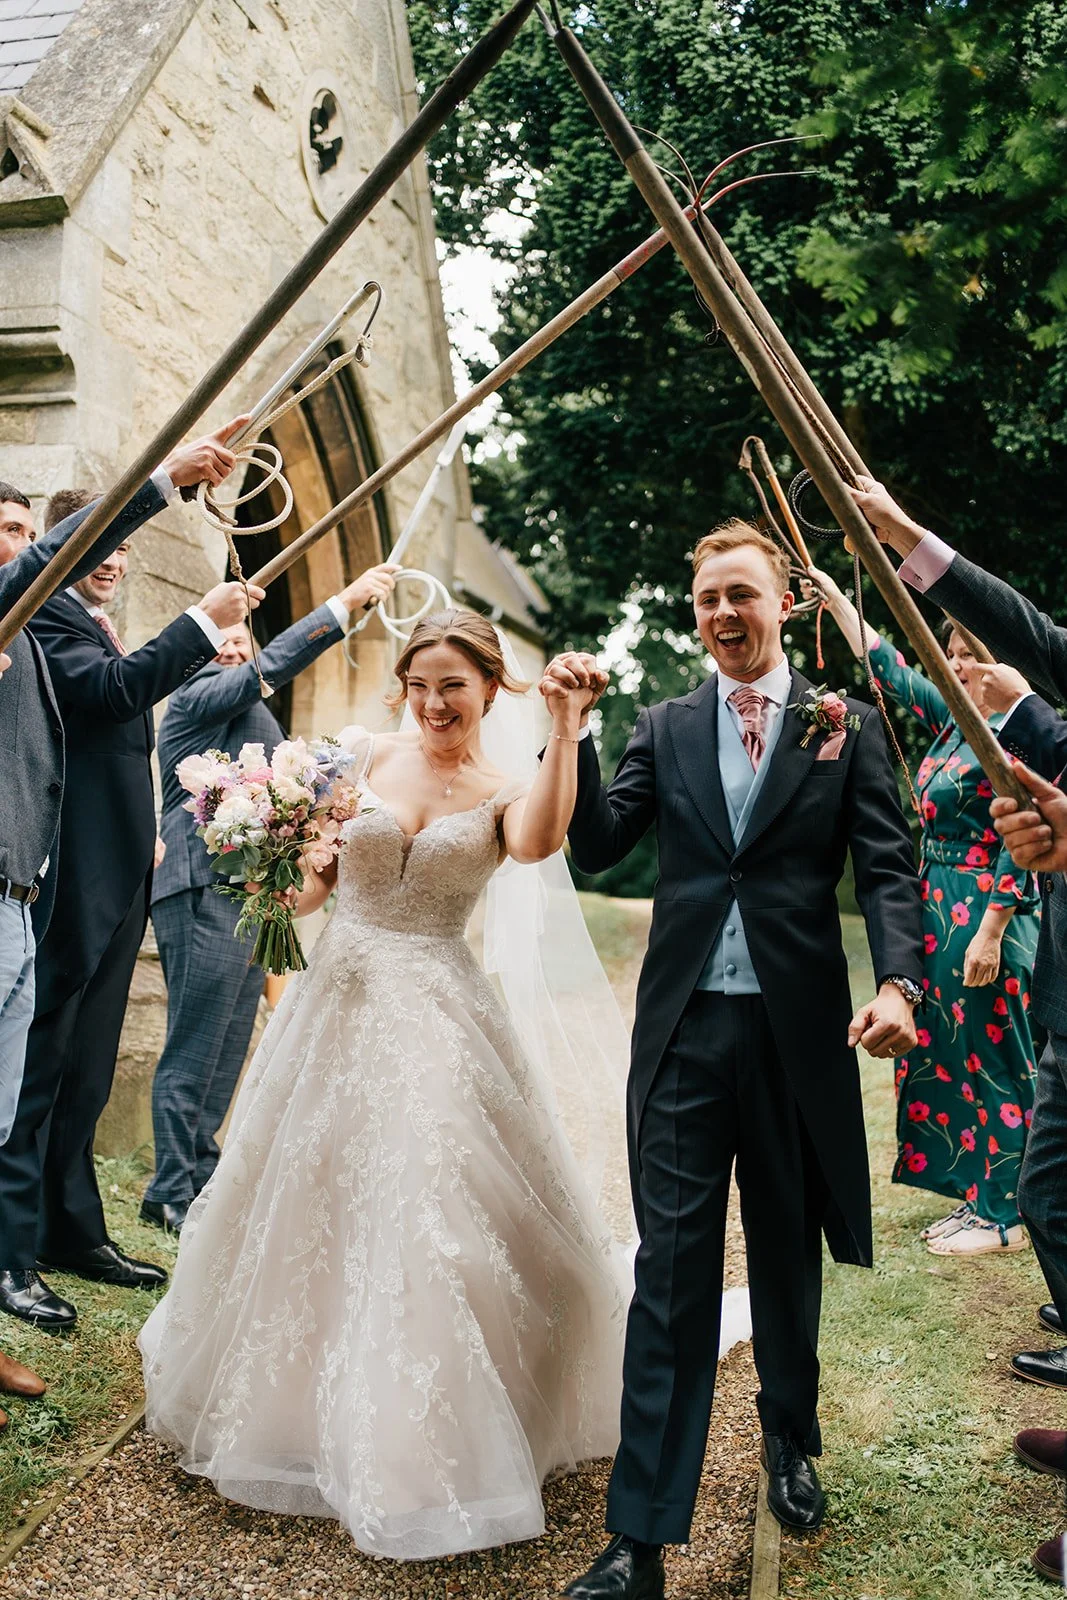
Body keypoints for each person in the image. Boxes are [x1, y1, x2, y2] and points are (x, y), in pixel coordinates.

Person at [139, 607, 629, 1559]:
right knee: (305, 1192)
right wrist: (280, 866)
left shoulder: (504, 785)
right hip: (338, 998)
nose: (435, 702)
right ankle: (293, 1410)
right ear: (402, 688)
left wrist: (566, 732)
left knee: (432, 1203)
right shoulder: (358, 755)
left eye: (453, 685)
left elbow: (534, 845)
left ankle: (424, 1434)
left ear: (491, 689)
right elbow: (314, 891)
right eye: (420, 684)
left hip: (439, 1007)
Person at [553, 520, 923, 1600]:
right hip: (679, 1036)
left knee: (784, 1256)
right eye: (707, 597)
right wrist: (572, 731)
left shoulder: (840, 723)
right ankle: (638, 1539)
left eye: (741, 595)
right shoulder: (662, 725)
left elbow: (887, 870)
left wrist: (898, 982)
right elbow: (597, 841)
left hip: (794, 1036)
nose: (722, 614)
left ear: (784, 605)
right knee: (666, 1276)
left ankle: (788, 1439)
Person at [848, 477, 1067, 1585]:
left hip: (1011, 930)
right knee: (1050, 1181)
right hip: (1036, 960)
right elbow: (1015, 654)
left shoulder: (1002, 719)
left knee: (1038, 1158)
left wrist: (1005, 904)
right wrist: (883, 555)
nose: (966, 663)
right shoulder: (958, 713)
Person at [0, 419, 257, 1332]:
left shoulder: (72, 618)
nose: (21, 548)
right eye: (9, 533)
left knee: (86, 1068)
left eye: (28, 532)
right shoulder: (35, 618)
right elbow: (112, 695)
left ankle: (72, 1227)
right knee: (38, 1068)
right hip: (60, 875)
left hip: (120, 876)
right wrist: (161, 486)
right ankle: (15, 1245)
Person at [143, 562, 399, 1234]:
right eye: (218, 638)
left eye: (239, 638)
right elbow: (270, 669)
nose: (231, 646)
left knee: (230, 1042)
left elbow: (296, 781)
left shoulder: (250, 713)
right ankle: (167, 1188)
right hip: (200, 886)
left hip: (252, 893)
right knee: (195, 1043)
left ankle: (199, 1175)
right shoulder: (195, 696)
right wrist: (341, 606)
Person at [809, 567, 1040, 1255]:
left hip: (987, 916)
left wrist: (992, 929)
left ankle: (1005, 1213)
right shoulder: (952, 720)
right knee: (955, 1055)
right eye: (954, 650)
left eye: (974, 651)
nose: (961, 662)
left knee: (996, 1060)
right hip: (938, 907)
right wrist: (837, 596)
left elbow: (1020, 837)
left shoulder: (1015, 733)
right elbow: (887, 666)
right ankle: (976, 1196)